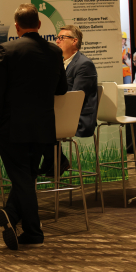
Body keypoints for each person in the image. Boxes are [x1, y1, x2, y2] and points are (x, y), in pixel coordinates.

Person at [0, 3, 68, 250]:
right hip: (43, 128)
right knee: (27, 176)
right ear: (40, 25)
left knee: (21, 178)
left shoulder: (7, 50)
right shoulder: (55, 51)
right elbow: (61, 89)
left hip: (13, 127)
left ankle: (33, 231)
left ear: (16, 26)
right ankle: (11, 215)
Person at [39, 25, 99, 177]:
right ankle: (55, 159)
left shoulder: (84, 64)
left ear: (74, 41)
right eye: (56, 38)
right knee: (35, 120)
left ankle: (56, 160)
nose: (57, 41)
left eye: (61, 38)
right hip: (61, 112)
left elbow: (75, 98)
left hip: (77, 117)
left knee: (39, 123)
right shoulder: (60, 62)